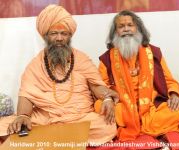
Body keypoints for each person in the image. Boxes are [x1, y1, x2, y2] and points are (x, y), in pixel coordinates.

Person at [2, 4, 119, 144]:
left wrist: (107, 99)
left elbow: (96, 86)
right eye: (54, 33)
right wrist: (23, 115)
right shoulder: (35, 65)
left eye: (64, 33)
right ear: (45, 36)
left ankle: (49, 139)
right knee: (4, 126)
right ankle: (67, 138)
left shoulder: (81, 59)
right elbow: (26, 94)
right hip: (46, 118)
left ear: (69, 36)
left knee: (107, 126)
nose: (59, 38)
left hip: (79, 117)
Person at [97, 10, 179, 142]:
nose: (126, 29)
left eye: (130, 25)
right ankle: (137, 125)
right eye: (121, 26)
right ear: (115, 32)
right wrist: (108, 100)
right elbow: (101, 87)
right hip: (123, 108)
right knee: (101, 106)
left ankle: (138, 125)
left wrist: (174, 94)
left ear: (138, 28)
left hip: (152, 108)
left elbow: (169, 80)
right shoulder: (107, 59)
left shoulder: (154, 53)